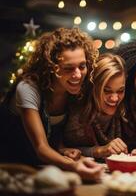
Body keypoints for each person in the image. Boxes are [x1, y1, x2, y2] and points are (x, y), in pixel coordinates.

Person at [0, 28, 103, 181]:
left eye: (82, 66)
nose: (78, 75)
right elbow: (41, 148)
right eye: (68, 68)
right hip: (11, 171)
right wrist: (74, 167)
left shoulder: (72, 90)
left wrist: (62, 149)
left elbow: (52, 132)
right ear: (51, 67)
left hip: (42, 170)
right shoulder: (28, 88)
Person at [63, 53, 128, 159]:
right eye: (106, 91)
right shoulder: (76, 112)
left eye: (120, 90)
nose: (115, 98)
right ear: (93, 88)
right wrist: (98, 151)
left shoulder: (124, 111)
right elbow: (63, 148)